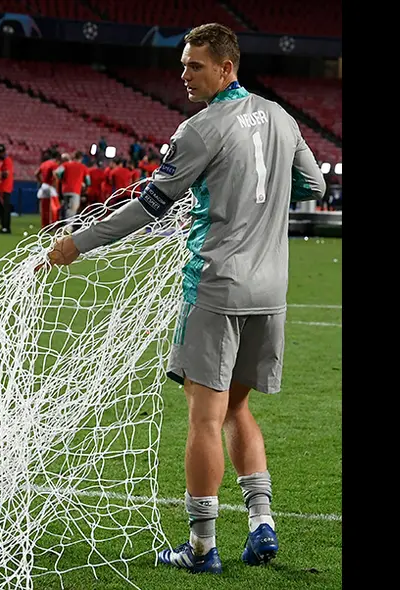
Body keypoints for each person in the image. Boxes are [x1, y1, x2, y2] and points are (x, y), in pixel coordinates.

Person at [40, 23, 325, 574]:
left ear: (225, 68)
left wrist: (78, 242)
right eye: (183, 64)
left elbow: (149, 206)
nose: (184, 75)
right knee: (238, 407)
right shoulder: (285, 118)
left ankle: (200, 547)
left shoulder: (200, 128)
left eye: (195, 66)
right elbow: (313, 185)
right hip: (272, 290)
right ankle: (262, 524)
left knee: (204, 416)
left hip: (216, 287)